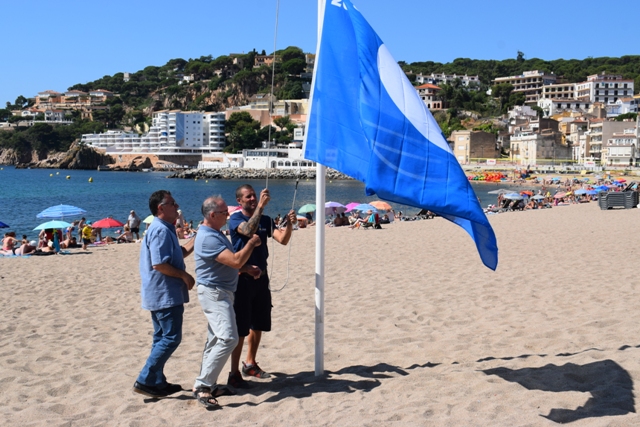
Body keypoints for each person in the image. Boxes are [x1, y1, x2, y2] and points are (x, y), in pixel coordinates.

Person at [191, 195, 262, 408]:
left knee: (215, 340)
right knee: (228, 339)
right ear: (212, 215)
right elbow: (235, 259)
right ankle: (203, 385)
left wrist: (246, 268)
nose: (228, 215)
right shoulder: (208, 237)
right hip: (215, 293)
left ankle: (208, 383)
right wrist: (251, 243)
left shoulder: (214, 233)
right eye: (224, 213)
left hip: (221, 291)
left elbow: (227, 263)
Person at [226, 185, 296, 388]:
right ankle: (234, 372)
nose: (253, 199)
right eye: (248, 197)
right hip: (243, 278)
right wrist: (261, 208)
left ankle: (250, 363)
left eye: (254, 195)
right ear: (240, 201)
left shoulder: (265, 219)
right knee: (241, 327)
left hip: (262, 278)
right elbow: (248, 231)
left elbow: (282, 240)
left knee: (258, 323)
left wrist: (289, 225)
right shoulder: (236, 219)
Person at [133, 190, 196, 398]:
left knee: (161, 338)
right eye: (172, 203)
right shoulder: (160, 230)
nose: (176, 205)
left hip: (160, 293)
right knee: (170, 338)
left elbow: (177, 253)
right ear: (161, 208)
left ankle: (157, 381)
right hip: (164, 293)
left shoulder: (164, 229)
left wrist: (196, 238)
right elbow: (159, 264)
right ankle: (145, 379)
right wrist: (184, 275)